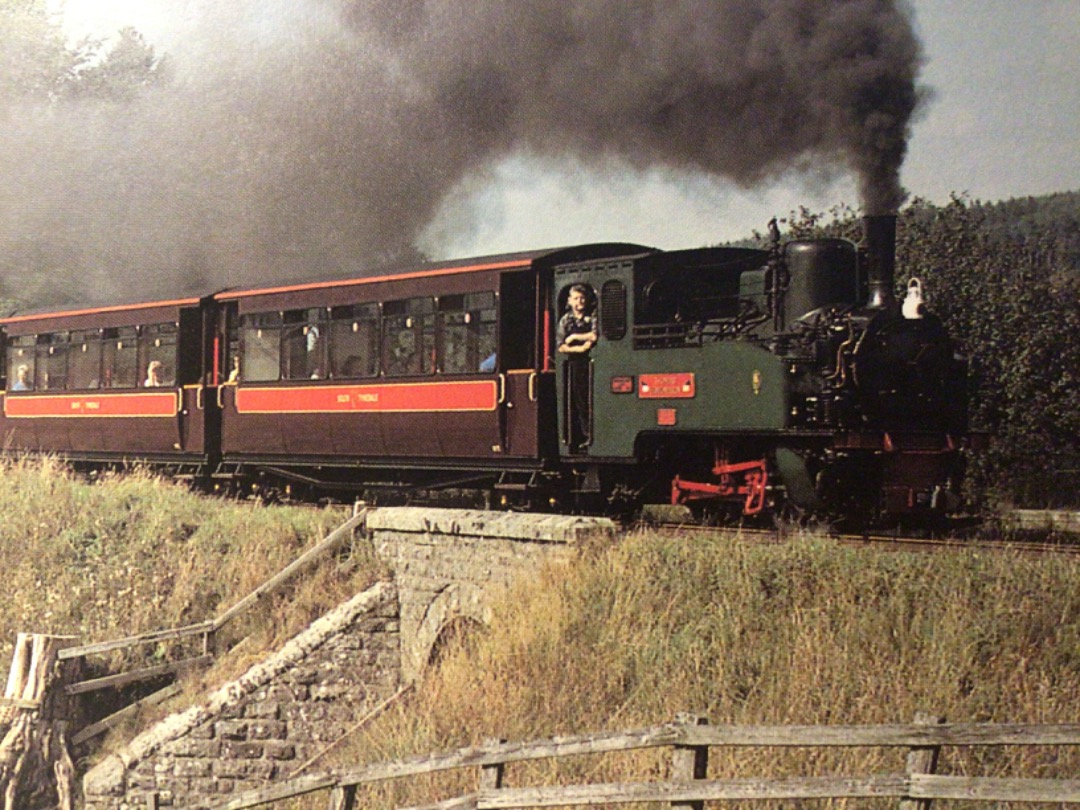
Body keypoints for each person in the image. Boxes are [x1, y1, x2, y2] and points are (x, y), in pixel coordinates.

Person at [557, 284, 597, 452]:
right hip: (574, 363)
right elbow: (561, 345)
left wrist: (573, 337)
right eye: (575, 298)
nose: (579, 302)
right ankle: (582, 435)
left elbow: (594, 335)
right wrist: (579, 348)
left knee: (589, 400)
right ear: (569, 301)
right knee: (578, 401)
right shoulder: (566, 320)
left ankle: (591, 434)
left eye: (582, 298)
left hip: (590, 362)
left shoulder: (592, 317)